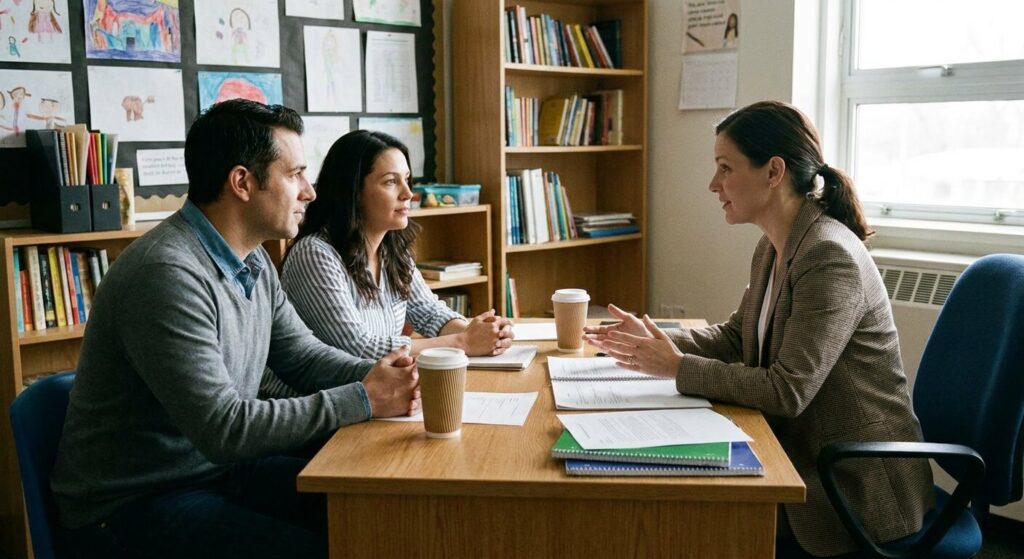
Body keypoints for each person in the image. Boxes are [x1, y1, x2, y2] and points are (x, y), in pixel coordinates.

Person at [51, 99, 421, 559]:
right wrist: (365, 397)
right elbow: (223, 427)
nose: (310, 191)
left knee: (383, 508)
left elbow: (303, 357)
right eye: (295, 175)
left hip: (213, 471)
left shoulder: (253, 259)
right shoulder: (167, 273)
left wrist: (386, 374)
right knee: (333, 545)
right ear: (242, 182)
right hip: (133, 501)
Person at [583, 100, 933, 557]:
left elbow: (788, 390)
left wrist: (675, 366)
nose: (713, 184)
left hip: (853, 486)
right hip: (802, 453)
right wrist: (650, 344)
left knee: (684, 522)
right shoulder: (774, 245)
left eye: (725, 168)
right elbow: (736, 338)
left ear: (773, 172)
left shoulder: (829, 256)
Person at [263, 130, 512, 397]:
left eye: (407, 180)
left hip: (376, 397)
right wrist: (463, 342)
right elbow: (358, 349)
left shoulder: (393, 249)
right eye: (391, 182)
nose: (408, 194)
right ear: (353, 191)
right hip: (318, 409)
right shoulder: (313, 254)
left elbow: (429, 313)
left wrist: (482, 333)